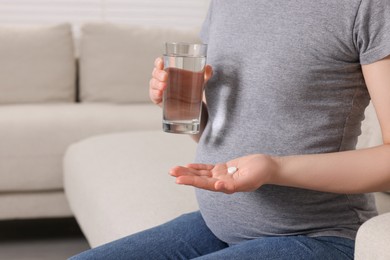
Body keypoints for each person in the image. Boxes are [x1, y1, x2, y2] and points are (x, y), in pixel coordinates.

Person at [71, 0, 390, 259]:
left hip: (320, 237)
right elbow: (221, 126)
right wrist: (184, 103)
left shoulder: (366, 7)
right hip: (217, 228)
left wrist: (275, 168)